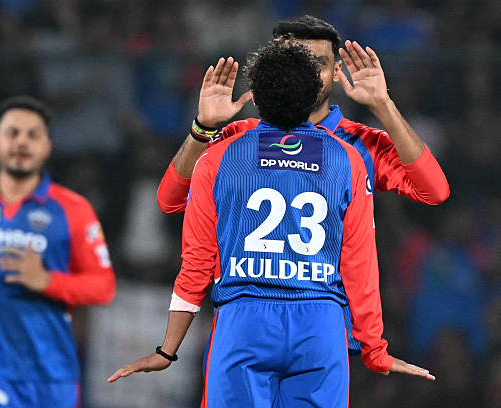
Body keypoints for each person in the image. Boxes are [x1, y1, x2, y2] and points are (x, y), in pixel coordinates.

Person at [108, 41, 434, 407]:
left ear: (255, 97)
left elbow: (196, 263)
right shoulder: (348, 160)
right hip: (320, 323)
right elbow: (360, 265)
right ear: (314, 96)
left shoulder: (217, 157)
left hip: (244, 321)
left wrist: (167, 349)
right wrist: (374, 349)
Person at [156, 15, 449, 353]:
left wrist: (384, 105)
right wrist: (203, 128)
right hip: (248, 329)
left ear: (337, 72)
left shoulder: (358, 144)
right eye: (296, 63)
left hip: (324, 336)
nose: (305, 75)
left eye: (318, 65)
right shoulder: (240, 139)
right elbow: (170, 200)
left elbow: (434, 191)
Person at [0, 96, 116, 407]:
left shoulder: (74, 210)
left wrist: (47, 281)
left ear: (47, 147)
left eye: (33, 135)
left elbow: (103, 287)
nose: (22, 142)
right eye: (12, 133)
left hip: (52, 374)